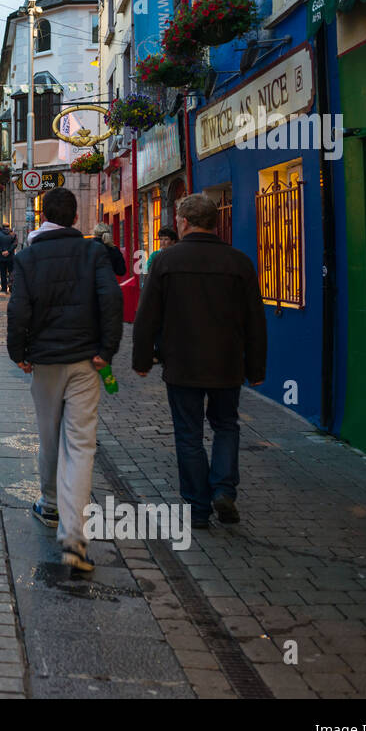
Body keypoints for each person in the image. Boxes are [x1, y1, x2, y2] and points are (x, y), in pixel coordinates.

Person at [132, 194, 266, 529]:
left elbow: (147, 316)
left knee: (188, 433)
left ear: (184, 222)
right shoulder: (239, 262)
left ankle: (198, 506)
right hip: (227, 362)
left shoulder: (165, 261)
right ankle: (223, 488)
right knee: (226, 425)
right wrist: (257, 367)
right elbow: (255, 320)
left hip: (182, 362)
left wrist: (142, 358)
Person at [8, 187, 122, 576]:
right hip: (86, 360)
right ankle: (74, 535)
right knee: (81, 444)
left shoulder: (27, 258)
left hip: (46, 361)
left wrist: (18, 352)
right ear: (76, 218)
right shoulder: (94, 253)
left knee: (49, 434)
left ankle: (50, 503)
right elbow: (111, 301)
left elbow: (19, 308)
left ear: (42, 215)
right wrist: (107, 350)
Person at [0, 223, 17, 294]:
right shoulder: (13, 234)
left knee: (3, 273)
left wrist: (1, 251)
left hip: (1, 256)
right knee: (11, 272)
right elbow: (15, 244)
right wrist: (9, 251)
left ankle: (4, 288)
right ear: (9, 227)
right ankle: (11, 287)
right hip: (10, 256)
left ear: (2, 227)